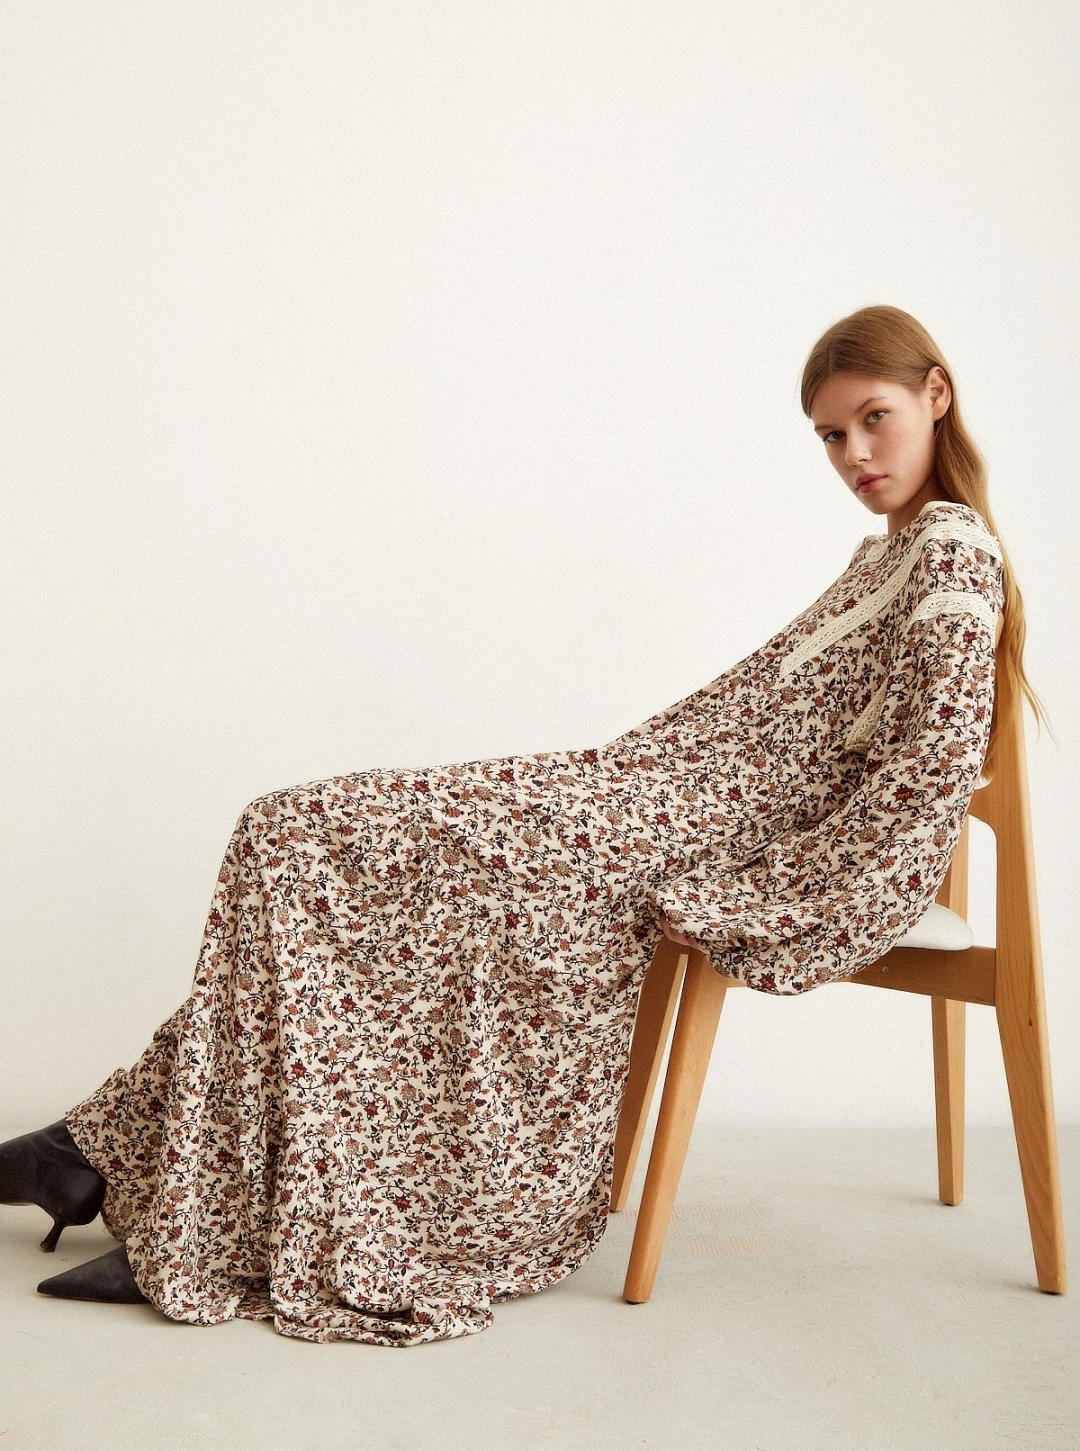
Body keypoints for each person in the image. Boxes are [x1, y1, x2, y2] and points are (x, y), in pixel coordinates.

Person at [0, 305, 1038, 1345]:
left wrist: (767, 894)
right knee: (296, 839)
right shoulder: (886, 555)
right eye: (831, 434)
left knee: (299, 836)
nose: (854, 454)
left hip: (680, 830)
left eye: (874, 418)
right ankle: (117, 1167)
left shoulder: (951, 555)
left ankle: (153, 1190)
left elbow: (928, 772)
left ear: (936, 396)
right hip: (639, 795)